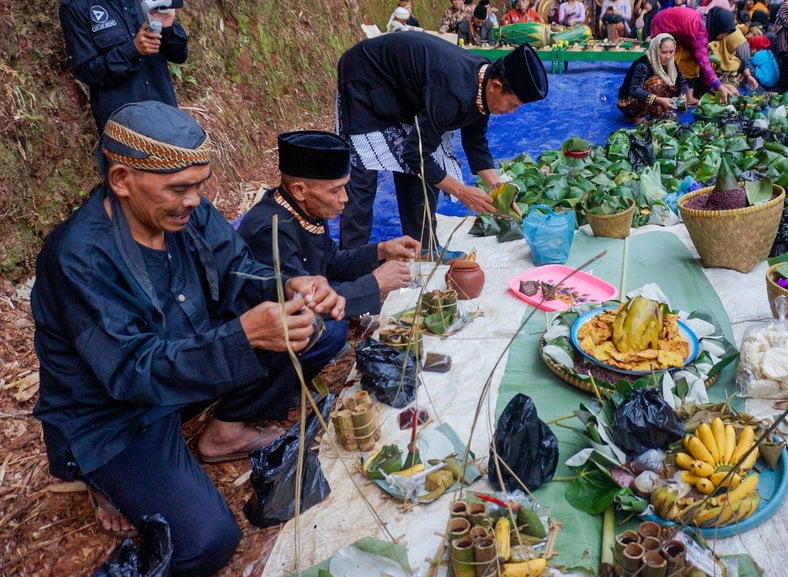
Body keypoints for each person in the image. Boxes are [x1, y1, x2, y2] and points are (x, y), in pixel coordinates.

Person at [31, 101, 345, 575]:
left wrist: (289, 286)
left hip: (187, 362)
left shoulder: (186, 213)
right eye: (180, 188)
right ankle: (105, 477)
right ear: (121, 180)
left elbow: (239, 268)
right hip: (118, 411)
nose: (195, 200)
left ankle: (228, 431)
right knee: (207, 542)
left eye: (200, 185)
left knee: (315, 328)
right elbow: (131, 370)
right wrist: (242, 338)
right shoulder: (79, 256)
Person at [336, 34, 547, 257]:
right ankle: (352, 259)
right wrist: (461, 191)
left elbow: (475, 141)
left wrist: (498, 190)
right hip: (366, 77)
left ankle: (424, 248)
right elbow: (415, 154)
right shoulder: (453, 93)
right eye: (512, 104)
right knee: (363, 175)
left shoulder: (483, 83)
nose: (511, 112)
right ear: (496, 85)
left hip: (406, 91)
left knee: (425, 168)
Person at [238, 131, 420, 365]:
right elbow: (299, 306)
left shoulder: (304, 209)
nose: (345, 198)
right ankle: (285, 385)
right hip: (262, 337)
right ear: (299, 190)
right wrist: (375, 283)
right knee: (331, 331)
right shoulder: (271, 231)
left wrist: (382, 250)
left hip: (300, 304)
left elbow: (331, 263)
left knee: (337, 315)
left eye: (345, 187)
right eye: (335, 190)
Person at [59, 0, 188, 132]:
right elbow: (86, 70)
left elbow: (179, 56)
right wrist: (132, 51)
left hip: (166, 116)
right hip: (122, 129)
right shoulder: (76, 7)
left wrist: (167, 27)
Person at [650, 6, 740, 102]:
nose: (724, 37)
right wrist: (719, 86)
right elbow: (704, 64)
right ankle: (659, 95)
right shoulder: (700, 31)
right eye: (724, 33)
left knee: (691, 59)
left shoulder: (704, 24)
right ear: (717, 26)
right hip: (662, 24)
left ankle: (689, 96)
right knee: (666, 59)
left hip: (677, 29)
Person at [616, 33, 690, 123]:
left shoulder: (671, 63)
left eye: (671, 52)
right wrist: (659, 100)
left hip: (648, 98)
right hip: (629, 103)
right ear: (655, 50)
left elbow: (682, 82)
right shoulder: (643, 65)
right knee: (657, 82)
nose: (668, 56)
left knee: (673, 84)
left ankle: (657, 113)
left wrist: (682, 96)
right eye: (664, 52)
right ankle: (639, 116)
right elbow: (634, 90)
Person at [706, 7, 758, 90]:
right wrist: (730, 84)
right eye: (735, 44)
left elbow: (742, 63)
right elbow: (708, 82)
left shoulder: (731, 51)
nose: (737, 47)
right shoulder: (711, 53)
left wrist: (748, 76)